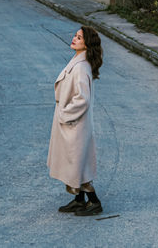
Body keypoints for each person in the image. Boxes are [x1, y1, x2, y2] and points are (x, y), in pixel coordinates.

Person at [47, 25, 103, 216]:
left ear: (87, 44)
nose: (74, 38)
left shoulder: (81, 67)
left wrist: (65, 114)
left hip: (75, 124)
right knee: (75, 163)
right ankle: (79, 200)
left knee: (77, 164)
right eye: (75, 35)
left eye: (79, 37)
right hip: (73, 124)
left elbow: (83, 99)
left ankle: (94, 202)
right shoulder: (79, 61)